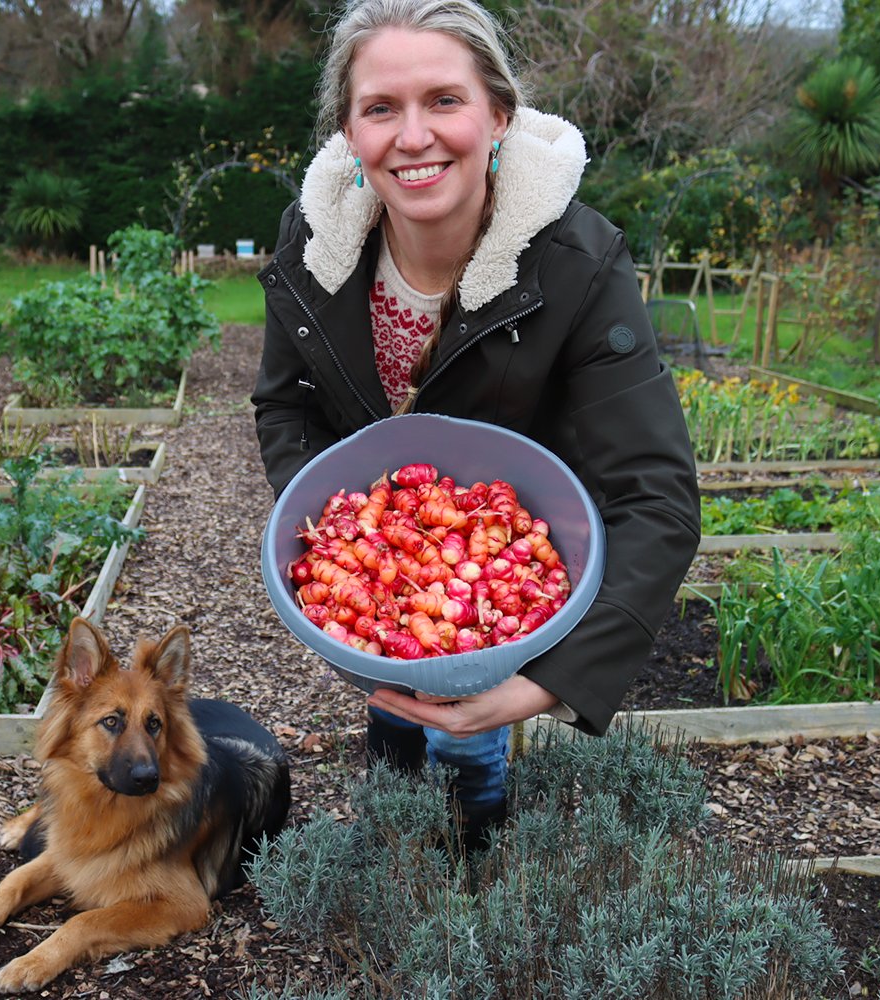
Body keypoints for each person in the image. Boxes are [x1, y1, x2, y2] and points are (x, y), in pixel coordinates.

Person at [252, 0, 700, 844]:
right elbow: (284, 402)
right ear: (349, 134)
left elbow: (657, 498)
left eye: (444, 101)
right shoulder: (314, 246)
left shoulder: (577, 265)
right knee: (393, 743)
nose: (412, 136)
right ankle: (390, 838)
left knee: (471, 768)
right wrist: (344, 530)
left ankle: (472, 872)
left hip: (502, 590)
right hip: (392, 585)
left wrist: (545, 681)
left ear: (499, 115)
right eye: (380, 108)